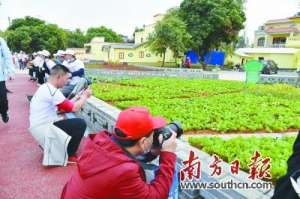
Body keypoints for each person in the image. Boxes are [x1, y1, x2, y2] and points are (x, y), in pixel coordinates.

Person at [61, 107, 177, 199]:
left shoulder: (101, 142)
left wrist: (152, 153)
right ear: (143, 142)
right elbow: (157, 196)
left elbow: (124, 157)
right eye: (153, 133)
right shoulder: (125, 172)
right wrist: (168, 154)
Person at [29, 64, 92, 166]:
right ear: (59, 77)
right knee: (80, 123)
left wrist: (77, 97)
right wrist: (85, 96)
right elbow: (74, 108)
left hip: (39, 127)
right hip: (43, 128)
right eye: (67, 79)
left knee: (65, 120)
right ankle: (68, 155)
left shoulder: (46, 87)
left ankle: (50, 145)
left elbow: (63, 108)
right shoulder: (53, 91)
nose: (68, 82)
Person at [0, 37, 15, 123]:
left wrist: (10, 71)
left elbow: (7, 56)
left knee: (2, 98)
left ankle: (4, 112)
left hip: (0, 77)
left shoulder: (1, 41)